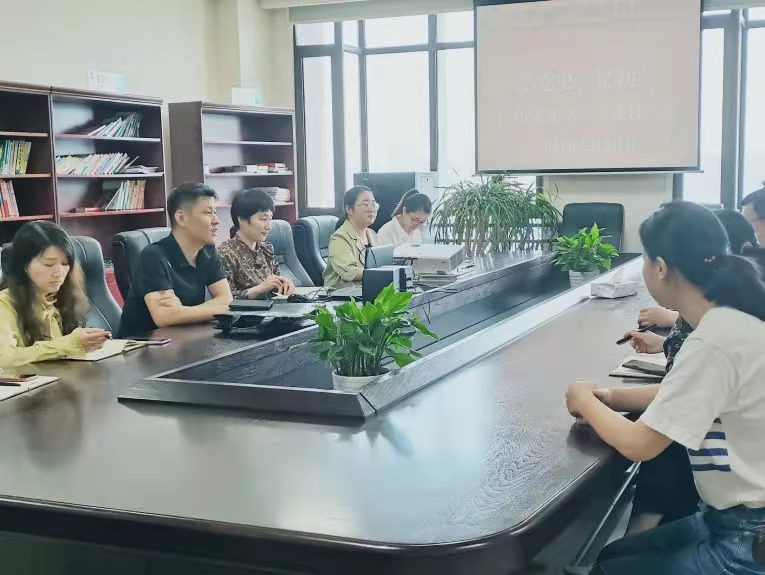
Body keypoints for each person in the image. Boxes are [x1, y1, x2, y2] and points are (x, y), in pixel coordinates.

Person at [565, 201, 765, 574]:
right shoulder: (729, 319)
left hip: (746, 537)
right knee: (612, 556)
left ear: (660, 267)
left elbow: (640, 445)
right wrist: (609, 397)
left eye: (644, 260)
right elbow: (686, 396)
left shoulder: (712, 341)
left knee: (606, 570)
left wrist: (583, 399)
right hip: (730, 522)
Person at [118, 183, 233, 337]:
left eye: (215, 212)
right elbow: (165, 317)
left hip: (185, 338)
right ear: (181, 218)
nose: (216, 220)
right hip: (143, 345)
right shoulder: (153, 256)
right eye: (208, 213)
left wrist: (182, 312)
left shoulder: (207, 250)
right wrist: (216, 308)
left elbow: (227, 300)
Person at [0, 222, 109, 367]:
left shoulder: (64, 295)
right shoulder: (4, 303)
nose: (59, 273)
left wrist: (85, 344)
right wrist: (68, 345)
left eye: (65, 264)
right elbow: (4, 359)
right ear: (24, 265)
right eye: (49, 264)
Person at [218, 188, 295, 299]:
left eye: (270, 219)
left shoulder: (266, 248)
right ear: (242, 220)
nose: (269, 226)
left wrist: (285, 284)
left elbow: (276, 284)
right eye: (263, 219)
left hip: (274, 308)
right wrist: (259, 289)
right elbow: (225, 300)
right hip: (247, 311)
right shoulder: (225, 253)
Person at [323, 186, 378, 288]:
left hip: (369, 289)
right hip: (343, 294)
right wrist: (381, 273)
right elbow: (350, 272)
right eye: (366, 204)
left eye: (374, 204)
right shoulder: (339, 238)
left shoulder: (372, 234)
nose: (372, 209)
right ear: (349, 209)